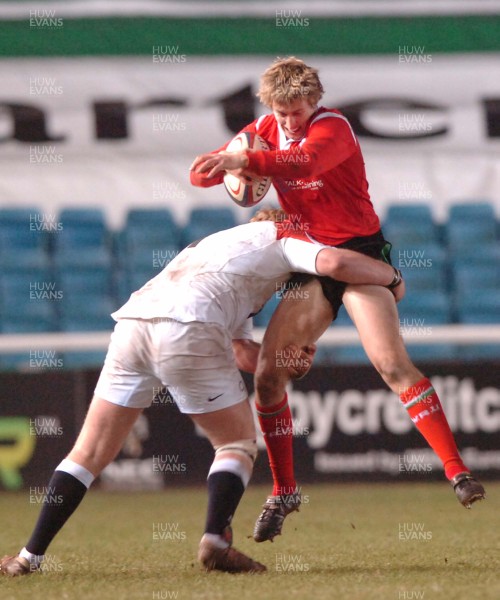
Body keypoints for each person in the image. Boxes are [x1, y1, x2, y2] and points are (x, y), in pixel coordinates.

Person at [0, 212, 403, 577]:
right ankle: (215, 540)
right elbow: (335, 263)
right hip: (189, 325)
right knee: (236, 444)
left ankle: (27, 558)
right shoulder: (284, 235)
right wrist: (393, 277)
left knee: (86, 455)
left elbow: (241, 349)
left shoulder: (216, 243)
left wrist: (277, 359)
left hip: (134, 324)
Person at [190, 56, 486, 543]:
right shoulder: (263, 129)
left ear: (315, 100)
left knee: (391, 363)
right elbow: (211, 172)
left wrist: (244, 160)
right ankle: (285, 490)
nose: (288, 120)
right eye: (282, 112)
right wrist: (214, 168)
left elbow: (304, 162)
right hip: (310, 258)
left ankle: (456, 471)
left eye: (297, 110)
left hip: (357, 253)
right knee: (268, 373)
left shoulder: (336, 129)